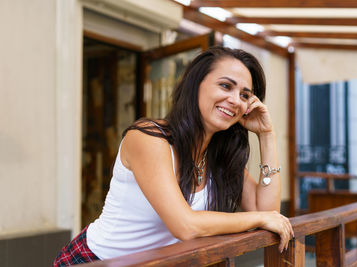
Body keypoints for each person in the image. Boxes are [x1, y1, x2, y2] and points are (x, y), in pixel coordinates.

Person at [53, 46, 294, 266]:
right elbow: (185, 226)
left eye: (244, 95)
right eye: (225, 86)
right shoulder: (150, 138)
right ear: (196, 84)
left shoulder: (218, 157)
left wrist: (266, 135)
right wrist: (258, 219)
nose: (234, 100)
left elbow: (268, 211)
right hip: (96, 261)